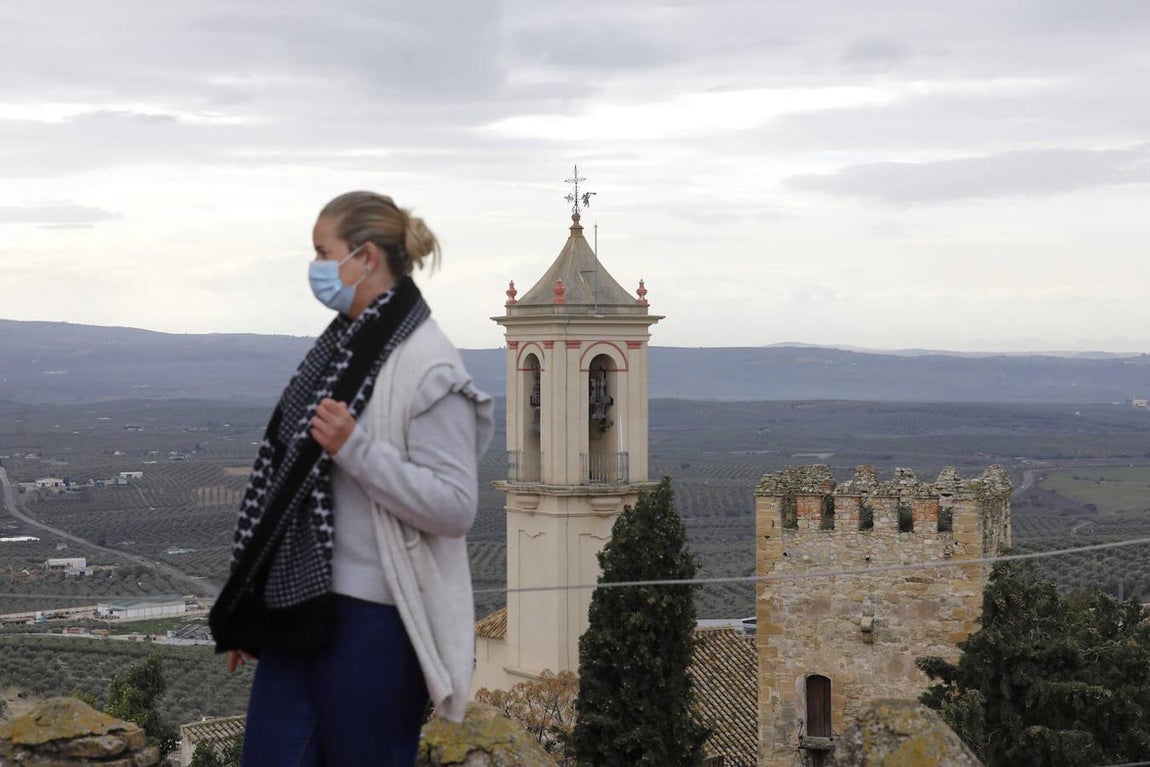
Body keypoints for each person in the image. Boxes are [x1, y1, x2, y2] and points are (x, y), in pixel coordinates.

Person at [209, 191, 493, 766]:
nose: (315, 268)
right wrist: (252, 603)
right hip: (302, 611)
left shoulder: (427, 364)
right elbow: (286, 492)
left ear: (365, 257)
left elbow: (456, 507)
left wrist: (355, 449)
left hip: (377, 625)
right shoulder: (338, 351)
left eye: (322, 252)